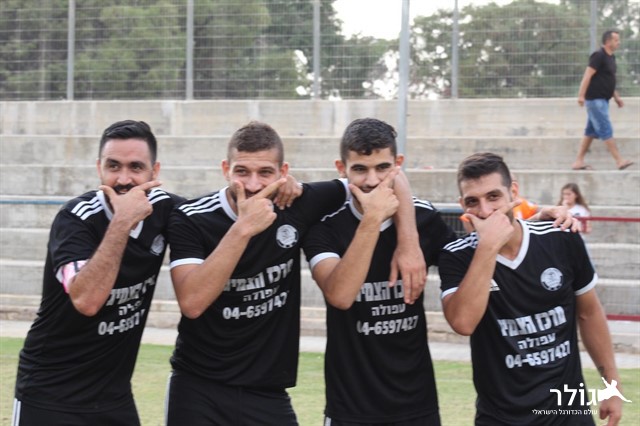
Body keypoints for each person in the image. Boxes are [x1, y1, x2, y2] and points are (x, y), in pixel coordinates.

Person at [164, 121, 425, 425]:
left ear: (283, 172)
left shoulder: (298, 204)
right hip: (198, 387)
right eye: (242, 171)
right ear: (225, 169)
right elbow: (192, 303)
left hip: (268, 391)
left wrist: (409, 243)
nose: (253, 185)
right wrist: (243, 228)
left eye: (265, 172)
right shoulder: (192, 217)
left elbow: (391, 178)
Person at [12, 120, 184, 426]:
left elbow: (216, 214)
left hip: (114, 397)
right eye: (113, 166)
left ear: (154, 172)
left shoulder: (166, 209)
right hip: (50, 396)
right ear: (99, 168)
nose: (124, 179)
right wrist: (122, 222)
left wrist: (276, 194)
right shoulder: (74, 219)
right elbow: (87, 300)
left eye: (136, 167)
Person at [439, 152, 623, 425]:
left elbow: (589, 313)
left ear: (513, 192)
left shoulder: (560, 237)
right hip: (501, 417)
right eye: (472, 201)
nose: (485, 211)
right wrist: (488, 247)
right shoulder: (457, 256)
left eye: (493, 196)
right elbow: (463, 323)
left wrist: (612, 386)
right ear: (462, 206)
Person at [302, 118, 458, 425]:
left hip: (418, 404)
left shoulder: (424, 219)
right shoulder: (325, 227)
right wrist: (372, 219)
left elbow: (471, 261)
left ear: (398, 165)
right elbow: (340, 295)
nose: (372, 180)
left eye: (383, 167)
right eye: (360, 169)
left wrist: (538, 220)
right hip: (351, 407)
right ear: (341, 168)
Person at [572, 29, 633, 171]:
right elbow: (587, 76)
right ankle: (619, 161)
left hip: (604, 100)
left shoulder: (611, 58)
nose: (619, 43)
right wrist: (581, 95)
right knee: (606, 129)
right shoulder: (598, 55)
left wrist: (616, 97)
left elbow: (608, 80)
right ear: (608, 41)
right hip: (595, 100)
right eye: (616, 40)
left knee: (590, 132)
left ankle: (578, 161)